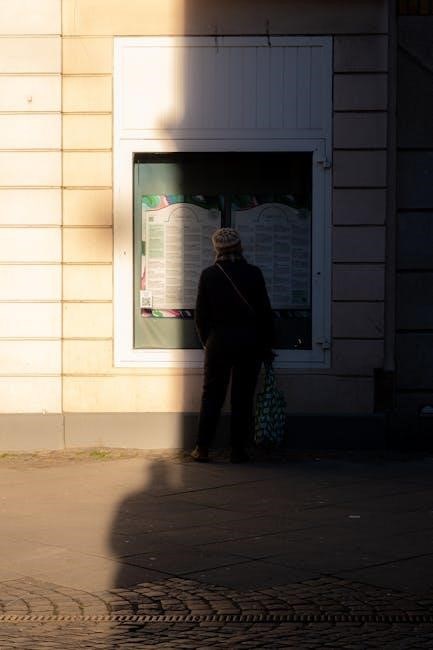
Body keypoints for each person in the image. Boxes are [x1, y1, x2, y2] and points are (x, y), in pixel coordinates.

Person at [192, 227, 274, 463]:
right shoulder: (253, 273)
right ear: (240, 247)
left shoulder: (209, 275)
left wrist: (207, 341)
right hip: (249, 342)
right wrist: (266, 344)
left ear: (216, 249)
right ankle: (238, 450)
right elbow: (265, 312)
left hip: (219, 341)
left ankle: (202, 448)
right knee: (243, 397)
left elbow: (201, 316)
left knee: (212, 395)